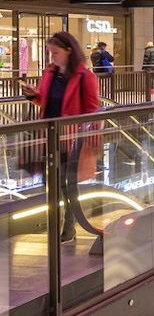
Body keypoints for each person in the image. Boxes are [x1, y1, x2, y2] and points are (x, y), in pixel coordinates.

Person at [24, 31, 101, 243]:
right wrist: (34, 95)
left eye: (55, 53)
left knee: (69, 185)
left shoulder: (85, 76)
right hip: (49, 137)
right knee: (51, 184)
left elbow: (93, 111)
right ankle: (56, 224)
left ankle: (69, 227)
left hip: (72, 140)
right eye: (50, 53)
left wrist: (90, 141)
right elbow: (46, 101)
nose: (52, 57)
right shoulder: (50, 73)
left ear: (69, 51)